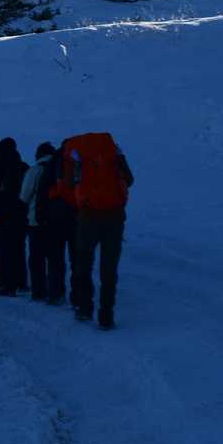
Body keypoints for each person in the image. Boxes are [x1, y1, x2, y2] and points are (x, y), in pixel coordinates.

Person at [65, 132, 135, 329]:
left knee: (84, 263)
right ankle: (106, 315)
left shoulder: (79, 158)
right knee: (109, 268)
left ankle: (85, 308)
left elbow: (69, 184)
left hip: (88, 217)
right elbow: (129, 180)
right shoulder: (114, 154)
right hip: (114, 217)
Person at [20, 142, 69, 304]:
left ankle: (38, 291)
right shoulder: (62, 170)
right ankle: (57, 292)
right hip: (59, 221)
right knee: (56, 258)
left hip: (37, 221)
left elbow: (24, 197)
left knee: (37, 258)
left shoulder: (34, 170)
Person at [0, 138, 29, 296]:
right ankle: (21, 281)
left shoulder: (2, 167)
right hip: (22, 213)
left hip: (6, 213)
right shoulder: (23, 166)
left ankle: (9, 284)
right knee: (19, 248)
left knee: (7, 248)